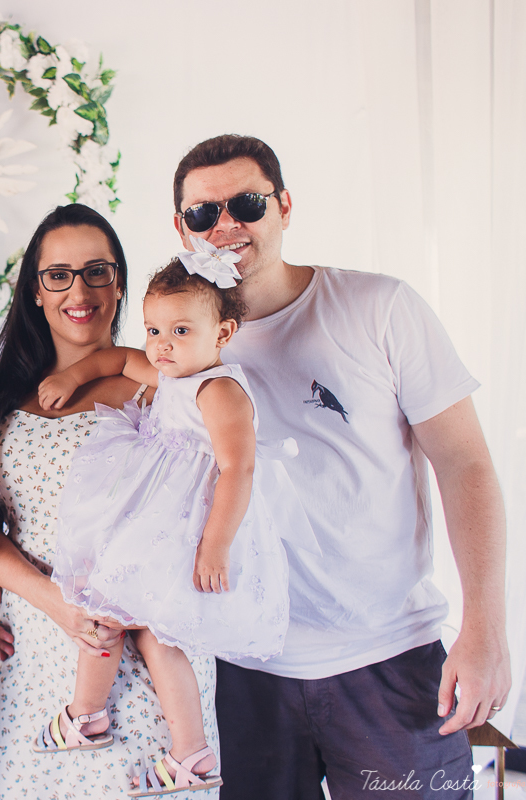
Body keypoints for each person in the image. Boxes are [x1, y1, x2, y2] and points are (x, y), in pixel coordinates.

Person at [169, 134, 510, 798]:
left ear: (284, 206)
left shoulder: (380, 307)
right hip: (242, 669)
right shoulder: (177, 346)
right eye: (204, 213)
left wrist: (486, 627)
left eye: (247, 204)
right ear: (182, 228)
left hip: (389, 659)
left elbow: (465, 464)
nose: (226, 225)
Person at [30, 250, 314, 794]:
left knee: (120, 620)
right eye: (154, 329)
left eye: (180, 331)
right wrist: (71, 376)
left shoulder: (219, 390)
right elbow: (117, 359)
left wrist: (215, 545)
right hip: (154, 524)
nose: (161, 344)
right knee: (134, 626)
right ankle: (170, 746)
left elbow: (238, 468)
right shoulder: (171, 372)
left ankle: (100, 720)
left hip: (187, 535)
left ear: (222, 333)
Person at [0, 204, 220, 798]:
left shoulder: (169, 384)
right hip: (38, 646)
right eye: (58, 274)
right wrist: (41, 599)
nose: (79, 291)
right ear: (35, 290)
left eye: (97, 272)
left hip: (146, 650)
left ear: (120, 283)